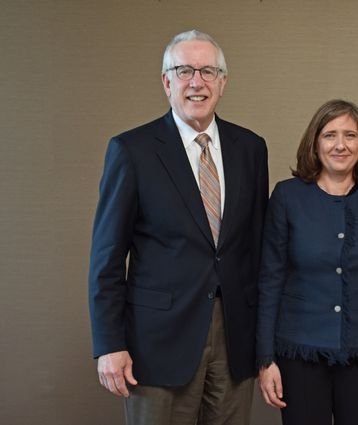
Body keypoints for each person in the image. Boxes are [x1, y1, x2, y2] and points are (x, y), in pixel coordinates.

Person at [88, 30, 268, 425]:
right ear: (166, 82)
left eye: (207, 71)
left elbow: (256, 248)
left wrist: (264, 343)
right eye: (184, 70)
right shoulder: (131, 150)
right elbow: (107, 256)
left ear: (223, 82)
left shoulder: (251, 148)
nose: (196, 82)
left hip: (235, 338)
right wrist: (109, 344)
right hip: (156, 342)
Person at [256, 99, 358, 425]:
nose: (340, 145)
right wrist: (265, 358)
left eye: (350, 135)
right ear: (315, 143)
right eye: (329, 135)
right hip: (299, 351)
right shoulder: (286, 197)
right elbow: (270, 279)